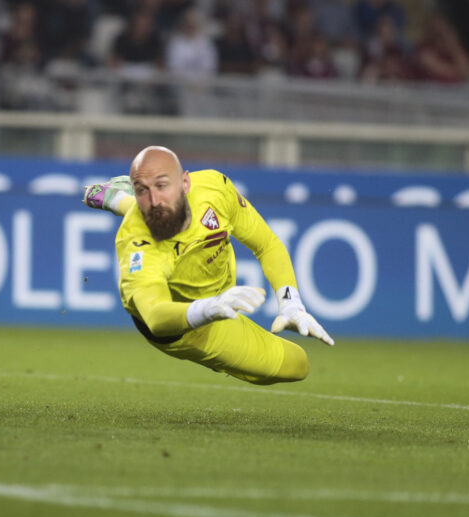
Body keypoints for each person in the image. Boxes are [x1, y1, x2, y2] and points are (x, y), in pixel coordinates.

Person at [82, 146, 333, 386]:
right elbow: (156, 316)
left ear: (185, 183)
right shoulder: (137, 243)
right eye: (142, 190)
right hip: (185, 328)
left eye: (161, 185)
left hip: (219, 290)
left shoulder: (214, 188)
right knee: (297, 365)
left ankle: (119, 198)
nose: (154, 199)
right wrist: (209, 309)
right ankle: (122, 200)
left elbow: (266, 244)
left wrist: (290, 302)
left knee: (152, 211)